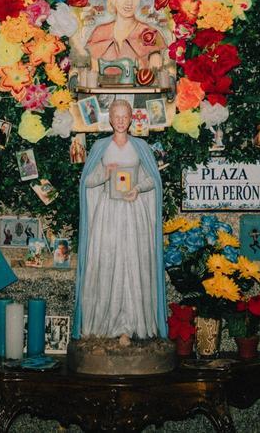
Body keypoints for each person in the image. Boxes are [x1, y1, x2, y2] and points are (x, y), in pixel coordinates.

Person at [72, 99, 167, 341]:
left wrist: (137, 189)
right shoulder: (100, 148)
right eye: (117, 116)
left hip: (133, 213)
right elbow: (87, 182)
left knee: (134, 262)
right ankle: (105, 324)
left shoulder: (141, 147)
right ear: (111, 119)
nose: (122, 121)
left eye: (126, 116)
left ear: (131, 119)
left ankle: (132, 323)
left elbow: (151, 180)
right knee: (107, 261)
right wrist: (104, 174)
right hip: (108, 214)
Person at [83, 0, 167, 70]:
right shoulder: (99, 33)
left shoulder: (151, 34)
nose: (129, 2)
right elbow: (94, 75)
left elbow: (156, 77)